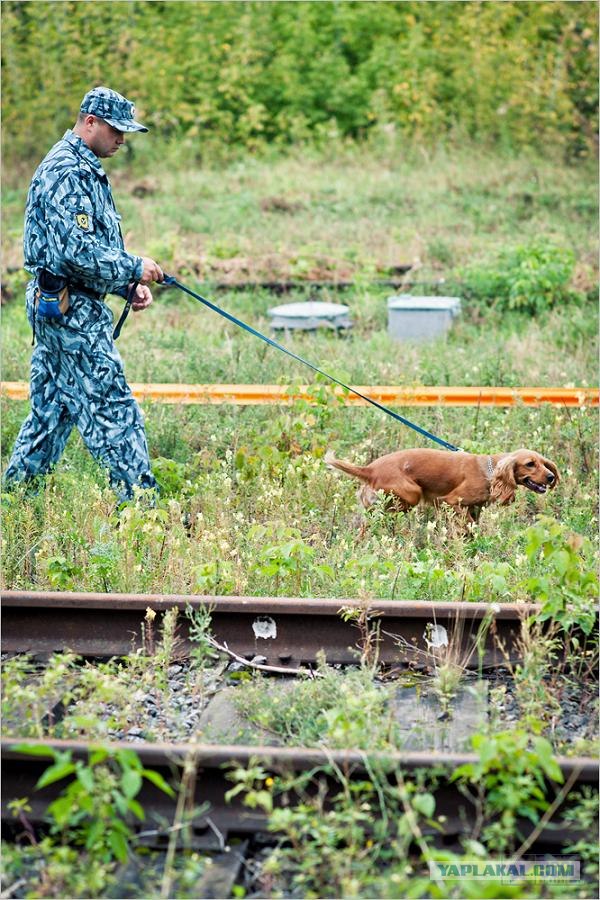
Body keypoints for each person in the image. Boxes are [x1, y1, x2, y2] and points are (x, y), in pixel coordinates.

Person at [4, 86, 164, 504]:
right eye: (116, 130)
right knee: (114, 410)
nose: (122, 140)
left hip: (68, 306)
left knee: (51, 416)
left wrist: (125, 285)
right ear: (89, 122)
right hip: (70, 312)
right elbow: (75, 254)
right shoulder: (66, 171)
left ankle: (15, 500)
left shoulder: (85, 166)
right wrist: (133, 267)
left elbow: (86, 248)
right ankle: (141, 511)